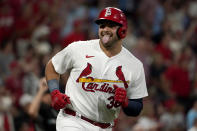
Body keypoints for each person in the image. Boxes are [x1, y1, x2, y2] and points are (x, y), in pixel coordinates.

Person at [45, 7, 148, 131]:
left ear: (123, 30)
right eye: (102, 26)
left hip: (105, 127)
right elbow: (52, 66)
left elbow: (137, 108)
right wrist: (54, 92)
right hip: (73, 120)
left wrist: (125, 102)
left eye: (111, 26)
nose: (105, 29)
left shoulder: (134, 65)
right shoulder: (78, 48)